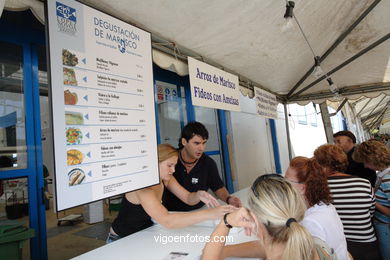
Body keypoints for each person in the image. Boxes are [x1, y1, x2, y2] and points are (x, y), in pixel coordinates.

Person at [107, 144, 235, 243]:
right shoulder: (143, 189)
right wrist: (209, 214)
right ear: (154, 163)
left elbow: (188, 198)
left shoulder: (165, 179)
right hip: (121, 239)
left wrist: (199, 194)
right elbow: (168, 220)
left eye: (175, 165)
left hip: (143, 234)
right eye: (169, 165)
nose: (173, 170)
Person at [202, 174, 336, 260]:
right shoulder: (314, 247)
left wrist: (226, 222)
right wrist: (227, 251)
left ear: (253, 219)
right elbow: (266, 247)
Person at [314, 144, 381, 260]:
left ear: (321, 164)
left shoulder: (318, 187)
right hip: (365, 244)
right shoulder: (364, 183)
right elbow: (370, 212)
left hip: (336, 245)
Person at [163, 121, 241, 211]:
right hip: (171, 213)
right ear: (184, 141)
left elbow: (218, 187)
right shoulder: (170, 160)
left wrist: (228, 199)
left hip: (199, 211)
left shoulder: (208, 163)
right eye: (196, 143)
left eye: (204, 143)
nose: (201, 148)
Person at [285, 156, 349, 260]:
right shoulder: (326, 206)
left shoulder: (310, 221)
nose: (284, 185)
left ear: (302, 188)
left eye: (287, 180)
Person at [353, 140, 390, 258]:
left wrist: (372, 200)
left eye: (365, 162)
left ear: (373, 159)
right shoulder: (384, 174)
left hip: (386, 227)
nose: (365, 166)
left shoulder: (387, 178)